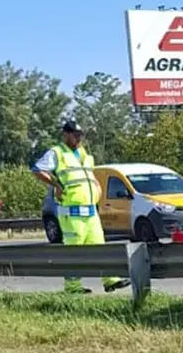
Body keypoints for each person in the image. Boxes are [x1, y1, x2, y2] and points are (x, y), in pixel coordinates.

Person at [31, 119, 130, 294]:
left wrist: (96, 186)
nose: (79, 139)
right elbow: (38, 169)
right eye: (75, 135)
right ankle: (72, 287)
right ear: (66, 135)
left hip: (91, 211)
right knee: (74, 251)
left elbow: (87, 175)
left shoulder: (84, 154)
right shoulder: (57, 153)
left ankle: (110, 280)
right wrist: (56, 185)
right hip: (71, 212)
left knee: (100, 246)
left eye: (81, 136)